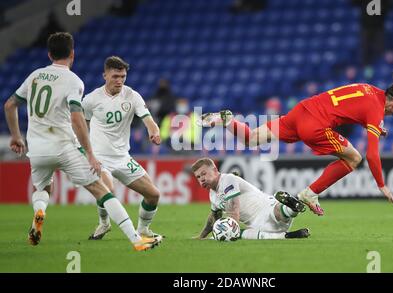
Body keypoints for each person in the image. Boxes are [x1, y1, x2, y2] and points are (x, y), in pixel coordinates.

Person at [3, 32, 159, 251]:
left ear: (49, 54)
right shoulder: (74, 82)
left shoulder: (35, 76)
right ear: (73, 55)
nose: (120, 81)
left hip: (37, 149)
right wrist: (90, 154)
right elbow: (77, 118)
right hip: (64, 146)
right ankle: (134, 239)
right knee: (102, 190)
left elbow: (9, 105)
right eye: (116, 76)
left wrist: (16, 136)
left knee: (42, 188)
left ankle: (40, 212)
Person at [200, 71, 393, 216]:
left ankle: (226, 120)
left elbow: (354, 107)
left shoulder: (369, 89)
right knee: (355, 158)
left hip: (301, 111)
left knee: (252, 138)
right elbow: (372, 154)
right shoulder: (376, 109)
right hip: (315, 126)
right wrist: (381, 185)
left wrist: (378, 127)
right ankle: (310, 193)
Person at [82, 56, 162, 240]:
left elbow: (148, 119)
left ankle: (143, 230)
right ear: (105, 75)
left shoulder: (132, 96)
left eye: (123, 76)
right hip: (99, 157)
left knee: (153, 195)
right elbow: (81, 125)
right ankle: (103, 224)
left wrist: (154, 131)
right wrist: (86, 152)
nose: (119, 80)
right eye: (115, 76)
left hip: (122, 157)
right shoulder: (91, 99)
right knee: (107, 189)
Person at [192, 157, 310, 240]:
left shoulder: (228, 179)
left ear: (215, 170)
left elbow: (234, 208)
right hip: (260, 225)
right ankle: (290, 232)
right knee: (242, 233)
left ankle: (291, 207)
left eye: (204, 173)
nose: (201, 179)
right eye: (198, 177)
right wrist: (201, 236)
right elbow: (213, 217)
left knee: (277, 212)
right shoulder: (213, 195)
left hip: (266, 208)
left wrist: (228, 231)